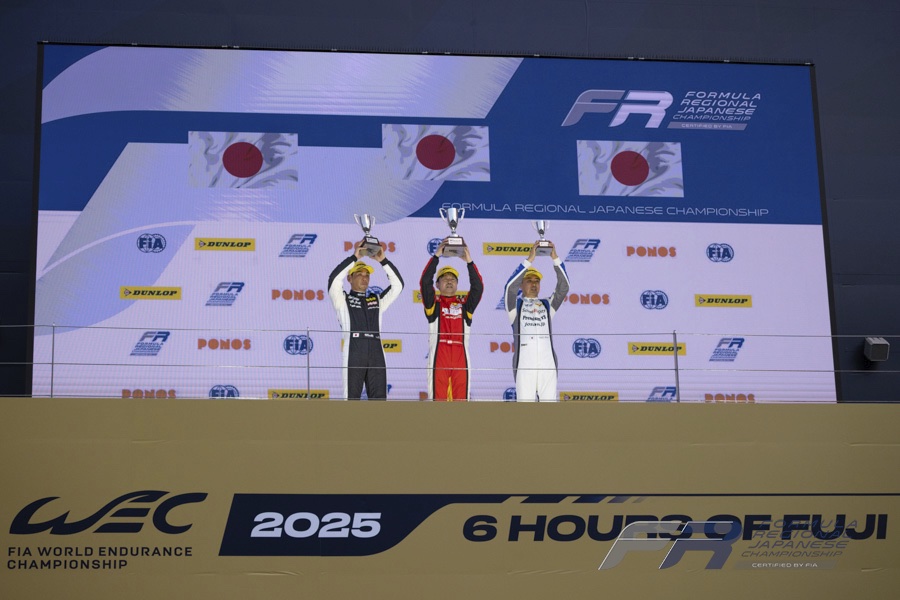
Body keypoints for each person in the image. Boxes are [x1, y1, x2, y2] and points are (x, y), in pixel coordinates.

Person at [328, 240, 404, 400]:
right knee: (351, 399)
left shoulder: (377, 300)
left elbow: (398, 285)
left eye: (367, 275)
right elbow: (334, 280)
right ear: (349, 278)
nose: (364, 278)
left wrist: (383, 261)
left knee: (379, 400)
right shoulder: (342, 299)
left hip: (376, 351)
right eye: (359, 275)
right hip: (354, 350)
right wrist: (354, 257)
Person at [503, 241, 570, 402]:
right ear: (521, 284)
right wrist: (529, 260)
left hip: (548, 364)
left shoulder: (547, 305)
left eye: (537, 281)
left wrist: (555, 258)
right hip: (525, 365)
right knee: (525, 410)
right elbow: (509, 289)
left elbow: (564, 288)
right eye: (529, 281)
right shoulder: (515, 306)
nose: (534, 284)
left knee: (549, 409)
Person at [419, 241, 484, 401]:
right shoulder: (433, 305)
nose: (449, 281)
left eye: (453, 279)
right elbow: (425, 282)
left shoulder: (465, 306)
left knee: (461, 402)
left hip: (460, 357)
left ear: (457, 284)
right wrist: (436, 256)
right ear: (437, 284)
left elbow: (478, 288)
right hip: (439, 357)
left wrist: (469, 262)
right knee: (438, 402)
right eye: (444, 278)